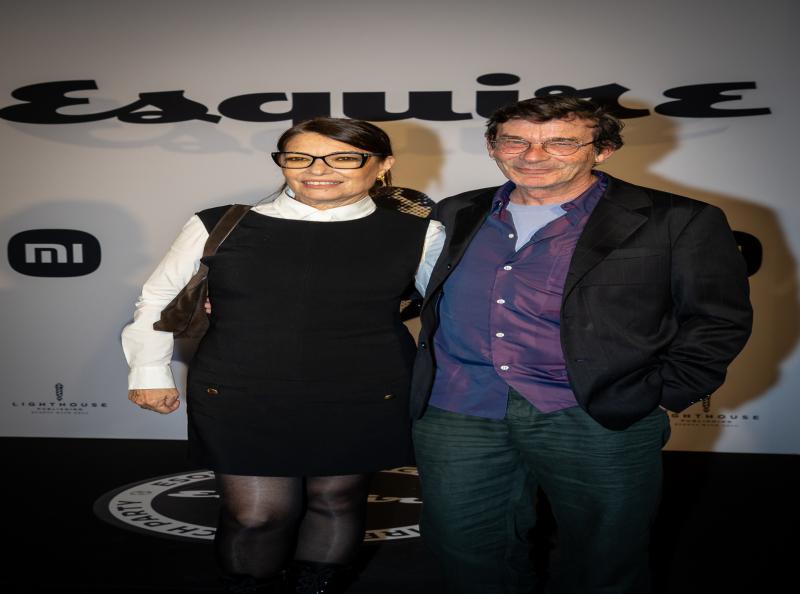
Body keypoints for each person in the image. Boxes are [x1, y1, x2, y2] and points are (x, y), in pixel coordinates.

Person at [409, 96, 752, 594]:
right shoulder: (457, 210)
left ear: (603, 150)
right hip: (459, 407)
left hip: (594, 413)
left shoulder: (677, 219)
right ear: (492, 146)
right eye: (515, 141)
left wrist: (661, 392)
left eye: (561, 143)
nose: (533, 155)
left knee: (604, 559)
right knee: (466, 548)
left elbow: (718, 318)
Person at [122, 117, 444, 594]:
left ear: (382, 165)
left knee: (337, 500)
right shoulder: (221, 223)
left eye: (343, 158)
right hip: (241, 387)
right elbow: (157, 299)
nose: (318, 169)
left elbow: (445, 305)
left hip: (365, 386)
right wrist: (149, 371)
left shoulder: (419, 232)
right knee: (255, 515)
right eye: (299, 157)